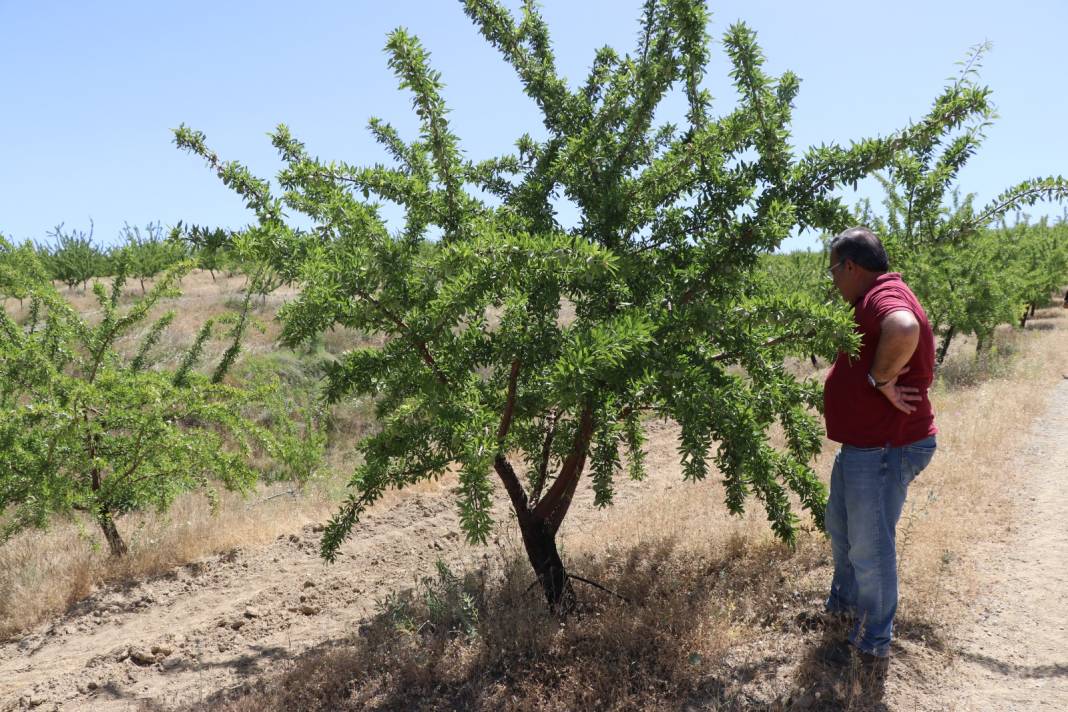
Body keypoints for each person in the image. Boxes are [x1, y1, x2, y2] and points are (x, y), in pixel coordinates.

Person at [822, 226, 938, 660]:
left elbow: (903, 328)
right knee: (842, 528)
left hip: (887, 446)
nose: (833, 280)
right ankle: (844, 607)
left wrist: (881, 379)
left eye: (833, 270)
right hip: (865, 445)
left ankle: (872, 642)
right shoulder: (873, 296)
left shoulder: (881, 298)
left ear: (851, 267)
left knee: (870, 544)